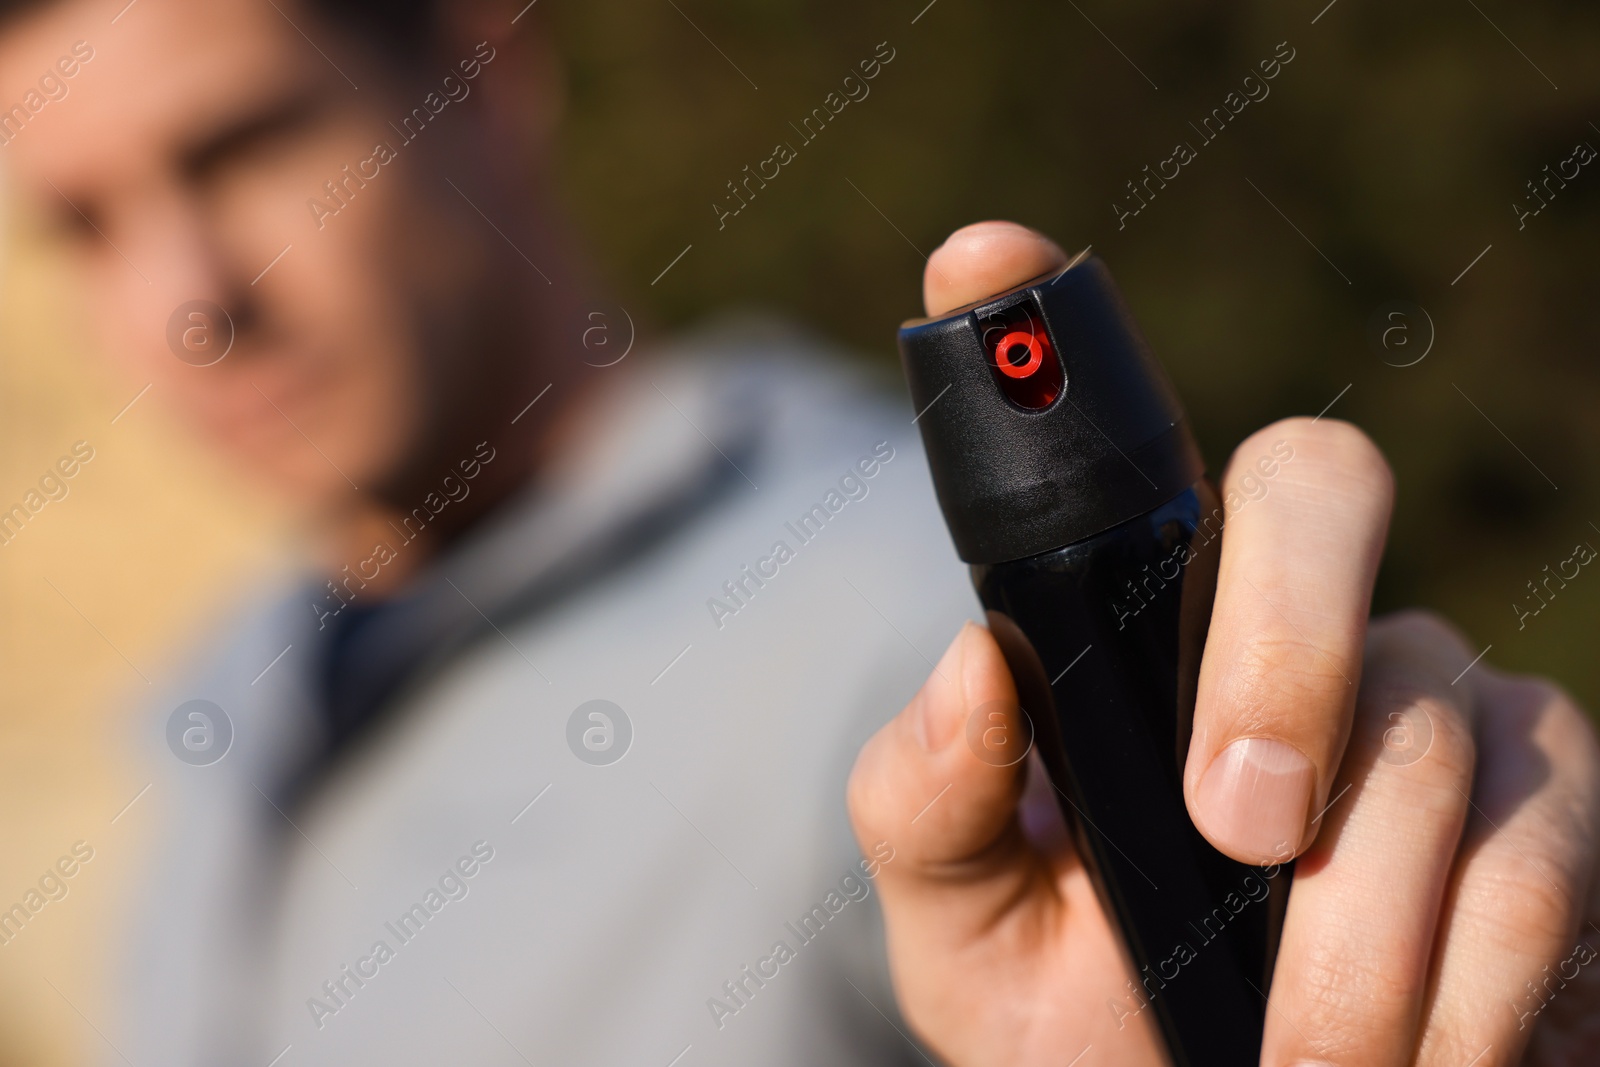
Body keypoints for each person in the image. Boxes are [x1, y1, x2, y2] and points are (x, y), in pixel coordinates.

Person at [0, 2, 1595, 1066]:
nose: (186, 301)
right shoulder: (218, 732)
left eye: (244, 148)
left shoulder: (919, 632)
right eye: (82, 224)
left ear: (491, 69)